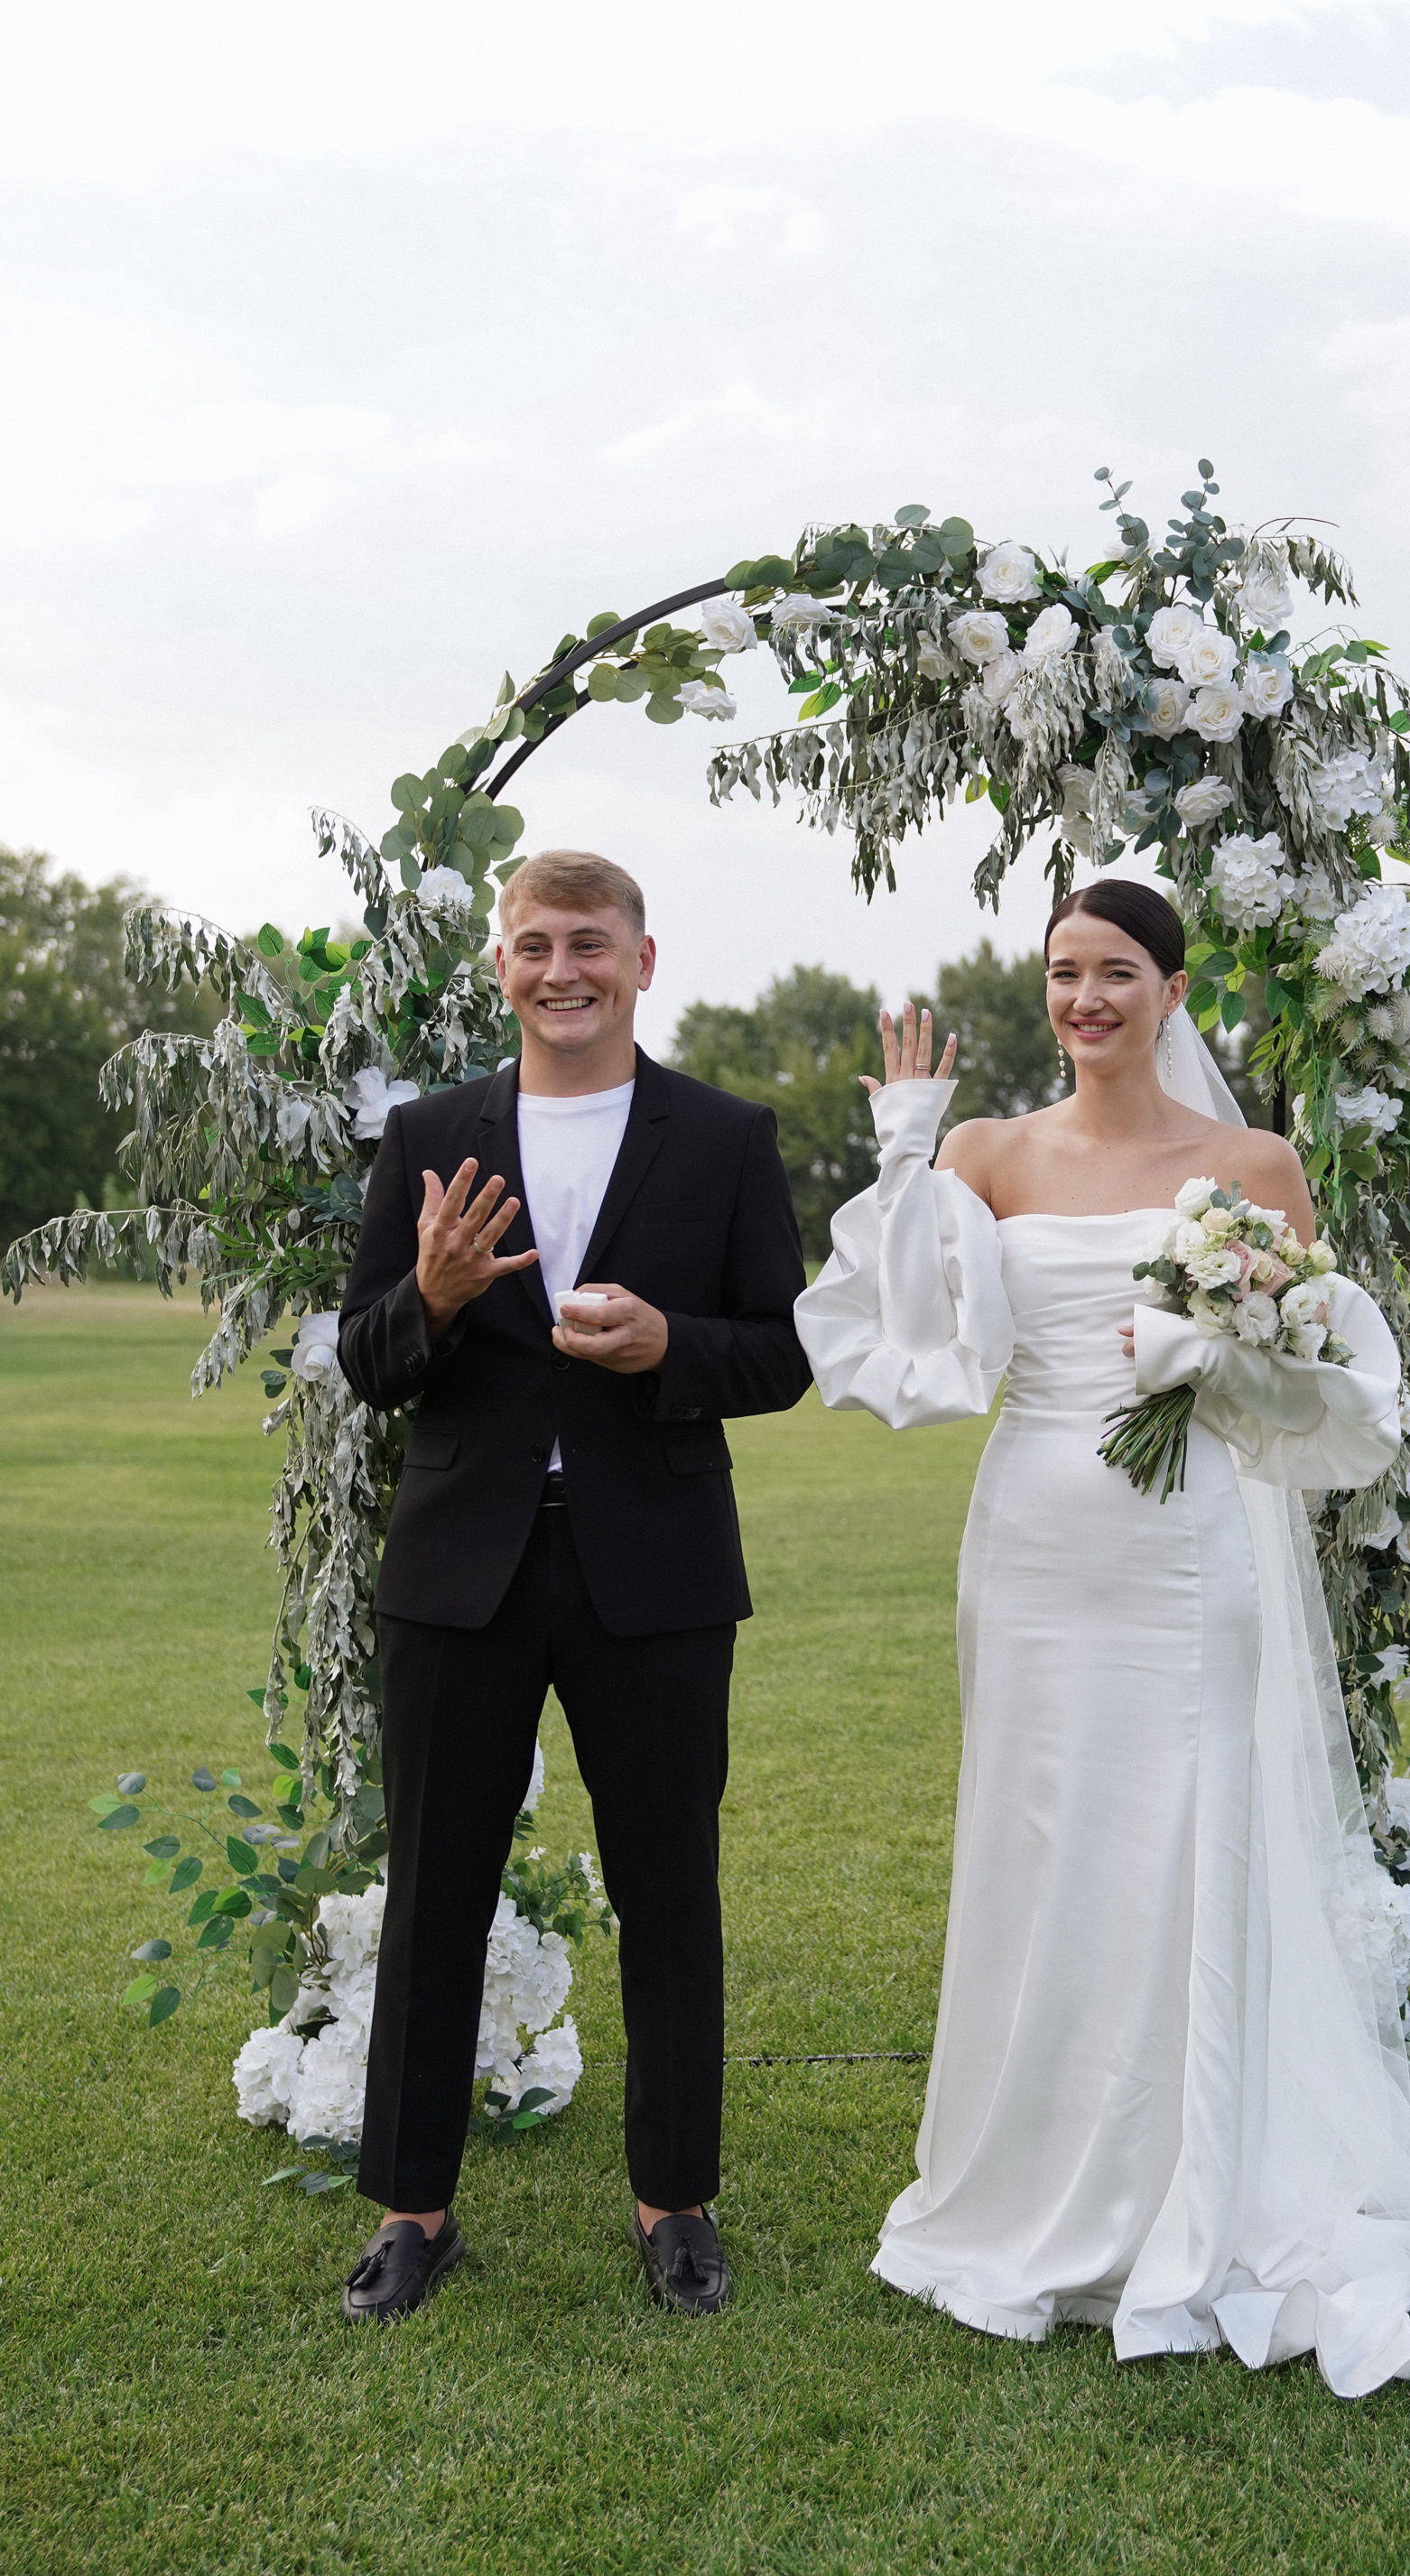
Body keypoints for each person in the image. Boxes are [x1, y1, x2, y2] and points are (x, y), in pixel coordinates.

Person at [793, 876, 1410, 2398]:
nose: (1084, 1000)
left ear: (1172, 988)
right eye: (1061, 975)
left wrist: (1206, 1354)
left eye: (1114, 973)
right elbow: (910, 1332)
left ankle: (1199, 2177)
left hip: (1187, 1547)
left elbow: (1321, 1395)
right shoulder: (984, 1152)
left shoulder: (1251, 1163)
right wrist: (905, 1144)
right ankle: (1032, 2181)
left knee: (1187, 1833)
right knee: (1042, 1840)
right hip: (1031, 1540)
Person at [333, 849, 812, 2324]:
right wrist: (436, 1298)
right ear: (502, 965)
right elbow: (363, 1358)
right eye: (535, 943)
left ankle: (676, 2206)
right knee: (434, 1896)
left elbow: (784, 1354)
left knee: (670, 1894)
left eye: (590, 944)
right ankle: (414, 2213)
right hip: (460, 1568)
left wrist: (675, 1344)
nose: (563, 970)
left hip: (654, 1570)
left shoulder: (726, 1138)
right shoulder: (429, 1133)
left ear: (643, 962)